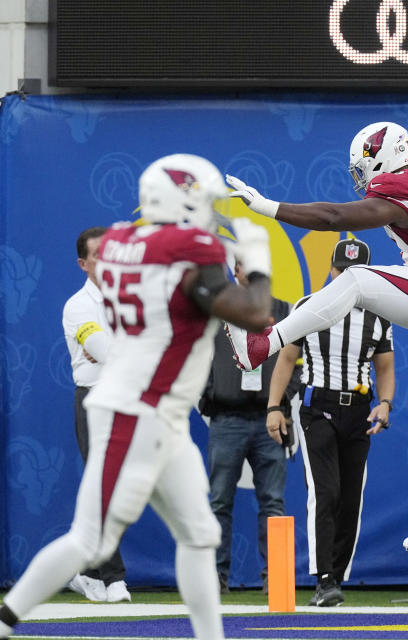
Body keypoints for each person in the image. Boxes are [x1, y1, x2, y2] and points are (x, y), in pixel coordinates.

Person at [0, 153, 274, 640]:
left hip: (155, 409)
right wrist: (256, 263)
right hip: (137, 409)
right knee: (90, 539)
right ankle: (5, 620)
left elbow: (175, 287)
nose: (207, 211)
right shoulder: (189, 248)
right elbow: (255, 313)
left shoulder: (121, 241)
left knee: (199, 533)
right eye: (201, 199)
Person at [222, 121, 408, 554]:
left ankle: (265, 343)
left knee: (355, 279)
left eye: (365, 168)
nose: (363, 179)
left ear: (387, 157)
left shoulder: (407, 182)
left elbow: (334, 217)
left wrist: (267, 206)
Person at [267, 238, 395, 607]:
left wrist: (385, 403)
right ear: (332, 269)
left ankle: (335, 576)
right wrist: (274, 406)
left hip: (359, 409)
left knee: (350, 498)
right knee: (326, 492)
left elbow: (384, 367)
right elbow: (287, 359)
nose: (346, 279)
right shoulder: (308, 306)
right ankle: (323, 578)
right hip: (318, 406)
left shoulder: (377, 315)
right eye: (342, 271)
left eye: (356, 274)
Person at [200, 260, 291, 593]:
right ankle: (214, 579)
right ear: (234, 270)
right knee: (219, 501)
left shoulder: (283, 310)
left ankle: (277, 580)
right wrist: (206, 397)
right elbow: (193, 355)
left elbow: (294, 360)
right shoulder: (215, 312)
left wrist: (280, 404)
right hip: (226, 419)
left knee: (274, 503)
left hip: (269, 421)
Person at [61, 226, 130, 603]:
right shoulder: (78, 305)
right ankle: (113, 576)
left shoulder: (132, 300)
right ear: (84, 264)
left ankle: (86, 569)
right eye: (100, 255)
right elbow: (105, 351)